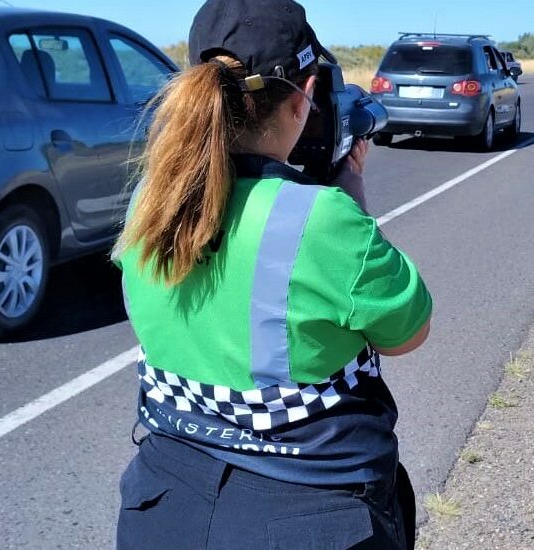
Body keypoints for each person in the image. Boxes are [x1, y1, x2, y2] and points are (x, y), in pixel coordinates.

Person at [112, 1, 432, 548]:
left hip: (162, 502)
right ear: (304, 95)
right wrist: (350, 200)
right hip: (306, 516)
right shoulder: (323, 219)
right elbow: (409, 332)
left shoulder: (151, 200)